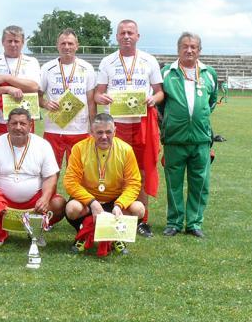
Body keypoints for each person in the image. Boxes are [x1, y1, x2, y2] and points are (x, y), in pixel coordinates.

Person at [95, 19, 164, 238]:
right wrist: (101, 97)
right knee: (116, 173)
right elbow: (97, 93)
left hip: (141, 125)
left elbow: (159, 92)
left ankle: (142, 220)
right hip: (116, 127)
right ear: (116, 37)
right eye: (122, 33)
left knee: (142, 172)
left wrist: (154, 99)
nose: (126, 36)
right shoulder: (108, 61)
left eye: (130, 33)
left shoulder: (149, 60)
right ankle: (117, 216)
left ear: (137, 36)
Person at [0, 108, 65, 246]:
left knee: (59, 204)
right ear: (7, 125)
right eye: (14, 123)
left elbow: (50, 177)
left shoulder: (42, 145)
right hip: (2, 200)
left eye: (23, 123)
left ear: (30, 125)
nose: (18, 127)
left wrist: (45, 198)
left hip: (34, 201)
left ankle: (35, 229)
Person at [160, 32, 218, 238]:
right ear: (178, 49)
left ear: (199, 50)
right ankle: (174, 222)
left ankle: (194, 223)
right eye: (185, 46)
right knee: (173, 183)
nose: (189, 50)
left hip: (201, 139)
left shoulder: (209, 73)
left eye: (193, 47)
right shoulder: (167, 72)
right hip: (174, 139)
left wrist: (197, 119)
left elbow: (211, 102)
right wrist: (172, 122)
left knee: (200, 183)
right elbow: (160, 105)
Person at [63, 113, 144, 256]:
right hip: (88, 201)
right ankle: (84, 231)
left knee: (139, 209)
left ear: (115, 131)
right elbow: (70, 182)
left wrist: (120, 204)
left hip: (114, 200)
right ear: (91, 132)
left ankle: (114, 236)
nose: (104, 136)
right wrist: (92, 202)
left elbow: (133, 183)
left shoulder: (126, 150)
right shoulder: (79, 148)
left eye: (108, 132)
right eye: (99, 132)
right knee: (72, 209)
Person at [39, 28, 96, 170]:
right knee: (51, 170)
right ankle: (51, 194)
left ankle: (75, 194)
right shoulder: (47, 68)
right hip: (53, 129)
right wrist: (45, 103)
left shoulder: (87, 68)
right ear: (57, 45)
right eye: (63, 43)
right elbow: (37, 96)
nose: (66, 47)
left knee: (78, 171)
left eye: (70, 43)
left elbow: (91, 101)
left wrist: (93, 127)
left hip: (79, 130)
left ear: (77, 45)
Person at [0, 25, 40, 144]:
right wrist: (6, 89)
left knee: (25, 158)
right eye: (9, 41)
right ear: (2, 42)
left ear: (23, 42)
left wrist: (6, 77)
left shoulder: (31, 62)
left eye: (16, 41)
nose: (13, 44)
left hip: (25, 121)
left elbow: (34, 87)